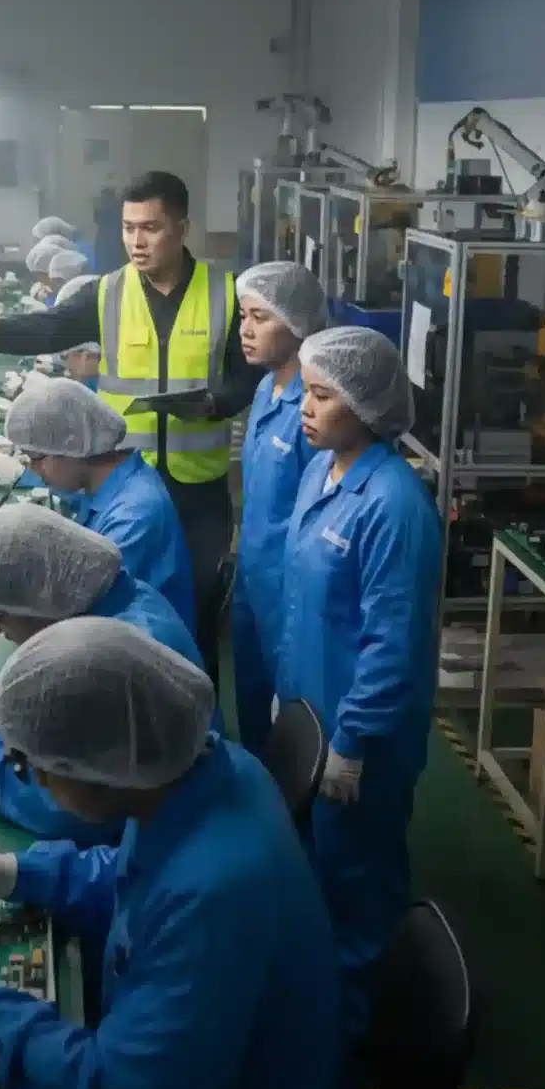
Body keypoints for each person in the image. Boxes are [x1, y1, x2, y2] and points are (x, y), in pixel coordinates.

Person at [0, 619, 364, 1089]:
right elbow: (137, 878)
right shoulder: (208, 773)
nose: (29, 777)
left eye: (34, 766)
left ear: (98, 770)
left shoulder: (216, 893)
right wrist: (15, 872)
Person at [0, 172, 251, 642]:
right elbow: (51, 327)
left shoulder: (226, 293)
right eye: (128, 228)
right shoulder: (108, 293)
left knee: (192, 613)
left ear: (182, 228)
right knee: (113, 606)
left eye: (151, 228)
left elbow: (247, 375)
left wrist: (215, 403)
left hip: (198, 488)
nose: (136, 242)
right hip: (123, 481)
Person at [276, 326, 439, 1037]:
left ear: (366, 406)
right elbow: (305, 603)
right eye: (305, 392)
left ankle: (357, 1032)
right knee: (319, 872)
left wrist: (352, 740)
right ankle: (325, 999)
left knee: (359, 881)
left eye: (320, 395)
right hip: (314, 712)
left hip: (361, 740)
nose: (303, 409)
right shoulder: (323, 470)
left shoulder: (394, 505)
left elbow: (392, 641)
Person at [0, 505, 207, 843]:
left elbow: (66, 806)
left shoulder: (123, 644)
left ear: (38, 597)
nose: (4, 632)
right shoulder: (121, 602)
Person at [0, 377, 195, 636]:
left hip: (139, 650)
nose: (34, 469)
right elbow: (73, 496)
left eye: (36, 459)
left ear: (71, 447)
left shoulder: (134, 515)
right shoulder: (113, 483)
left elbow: (78, 597)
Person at [229, 262, 327, 753]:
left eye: (261, 318)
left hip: (290, 592)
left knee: (290, 722)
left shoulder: (316, 411)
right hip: (253, 580)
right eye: (243, 316)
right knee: (250, 706)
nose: (245, 330)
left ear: (300, 324)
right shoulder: (267, 388)